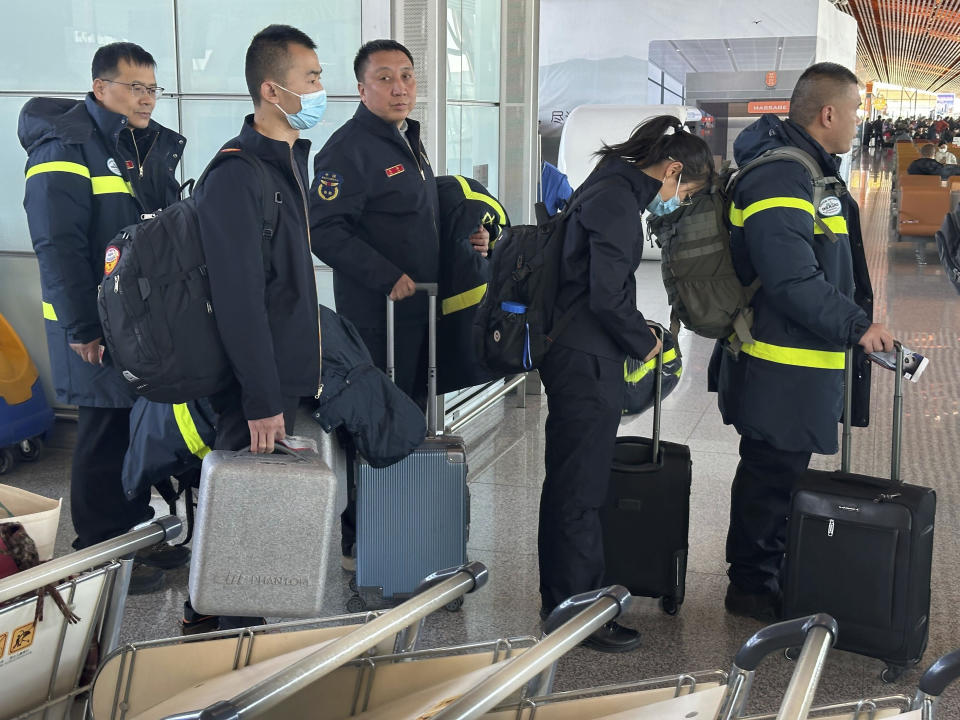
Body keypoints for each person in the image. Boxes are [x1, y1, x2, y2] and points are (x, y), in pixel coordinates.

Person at [708, 62, 894, 621]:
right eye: (857, 110)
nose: (859, 121)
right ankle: (749, 588)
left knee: (781, 475)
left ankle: (767, 574)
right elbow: (791, 279)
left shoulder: (810, 173)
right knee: (769, 476)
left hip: (798, 366)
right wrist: (857, 326)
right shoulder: (781, 178)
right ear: (828, 113)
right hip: (777, 366)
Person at [309, 39, 488, 570]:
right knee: (374, 418)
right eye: (385, 78)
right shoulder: (347, 150)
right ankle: (358, 537)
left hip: (416, 313)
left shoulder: (405, 138)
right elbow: (325, 231)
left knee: (406, 415)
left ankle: (398, 521)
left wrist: (469, 239)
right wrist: (386, 276)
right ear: (362, 88)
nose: (399, 88)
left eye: (406, 76)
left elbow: (417, 213)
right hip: (377, 314)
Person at [538, 115, 713, 652]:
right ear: (673, 169)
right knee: (581, 487)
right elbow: (606, 296)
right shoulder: (617, 201)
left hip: (574, 350)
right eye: (685, 191)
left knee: (571, 478)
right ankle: (575, 613)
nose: (678, 201)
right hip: (587, 358)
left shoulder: (608, 182)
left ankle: (562, 598)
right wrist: (646, 341)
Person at [19, 42, 188, 594]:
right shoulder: (64, 148)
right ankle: (96, 554)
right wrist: (82, 328)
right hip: (93, 326)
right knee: (101, 432)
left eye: (152, 88)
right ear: (100, 88)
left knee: (132, 428)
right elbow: (58, 247)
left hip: (139, 322)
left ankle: (133, 541)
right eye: (135, 87)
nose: (147, 98)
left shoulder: (144, 147)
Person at [185, 24, 324, 633]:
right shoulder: (238, 176)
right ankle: (213, 633)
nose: (322, 90)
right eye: (312, 80)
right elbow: (239, 301)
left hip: (278, 375)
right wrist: (263, 401)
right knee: (240, 517)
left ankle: (233, 630)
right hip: (252, 387)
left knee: (254, 517)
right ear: (273, 90)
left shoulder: (288, 163)